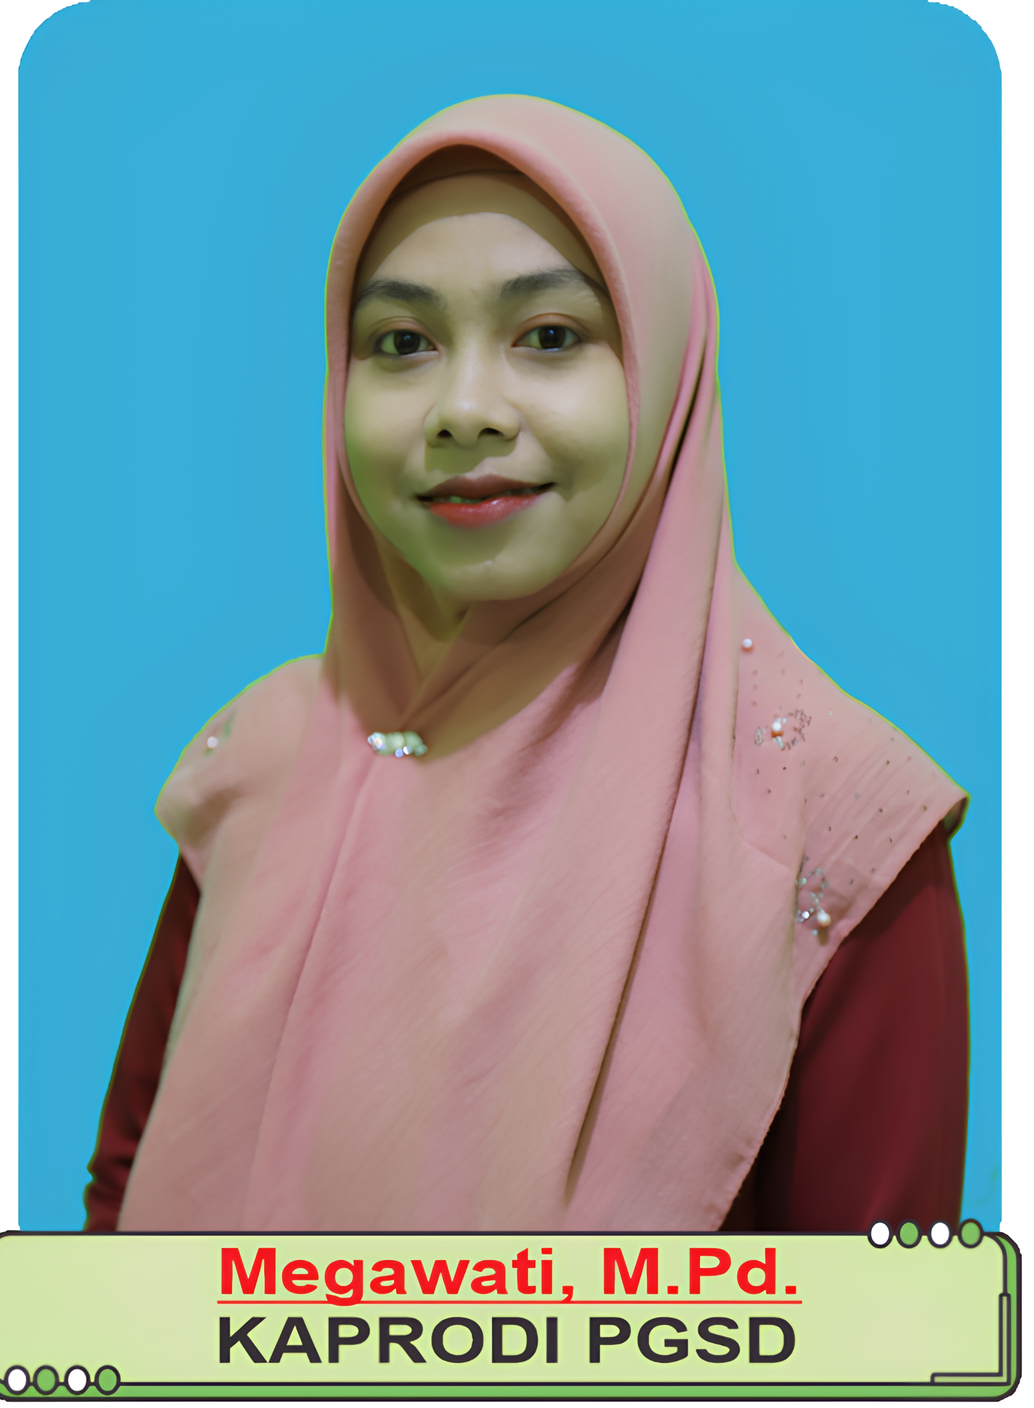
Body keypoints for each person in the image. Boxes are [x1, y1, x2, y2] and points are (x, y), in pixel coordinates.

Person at [85, 95, 968, 1235]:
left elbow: (876, 1317)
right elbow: (118, 1221)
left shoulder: (827, 822)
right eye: (401, 343)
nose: (463, 411)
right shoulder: (267, 758)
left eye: (550, 336)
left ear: (666, 370)